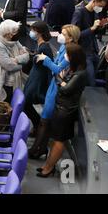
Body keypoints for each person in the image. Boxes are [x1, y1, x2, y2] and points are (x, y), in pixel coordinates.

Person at [37, 43, 87, 177]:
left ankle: (48, 167)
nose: (65, 57)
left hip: (66, 112)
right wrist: (61, 81)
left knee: (59, 141)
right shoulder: (73, 69)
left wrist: (60, 80)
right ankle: (47, 165)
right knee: (55, 140)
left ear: (74, 57)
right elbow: (61, 80)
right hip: (60, 108)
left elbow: (65, 89)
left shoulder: (80, 73)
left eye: (68, 55)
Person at [31, 24, 80, 159]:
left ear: (71, 38)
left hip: (58, 87)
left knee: (45, 118)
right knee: (44, 119)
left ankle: (38, 149)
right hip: (54, 83)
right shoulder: (64, 47)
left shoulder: (71, 51)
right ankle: (39, 147)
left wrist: (45, 59)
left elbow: (58, 69)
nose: (60, 36)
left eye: (64, 34)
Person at [71, 0, 108, 86]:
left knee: (94, 78)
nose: (101, 9)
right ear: (94, 1)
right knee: (90, 82)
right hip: (83, 52)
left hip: (94, 51)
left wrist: (100, 27)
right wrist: (91, 28)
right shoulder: (79, 12)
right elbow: (74, 34)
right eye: (100, 6)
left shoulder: (95, 13)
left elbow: (94, 32)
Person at [0, 20, 29, 104]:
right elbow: (9, 66)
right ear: (8, 35)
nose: (17, 33)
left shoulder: (15, 41)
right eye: (15, 32)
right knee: (6, 110)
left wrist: (16, 59)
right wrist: (22, 65)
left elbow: (27, 56)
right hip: (5, 83)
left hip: (17, 79)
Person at [22, 21, 54, 132]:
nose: (31, 32)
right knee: (26, 102)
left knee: (26, 103)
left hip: (38, 79)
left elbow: (46, 63)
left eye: (33, 30)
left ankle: (38, 125)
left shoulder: (44, 48)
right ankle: (38, 125)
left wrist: (30, 56)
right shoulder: (40, 45)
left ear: (39, 33)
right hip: (35, 76)